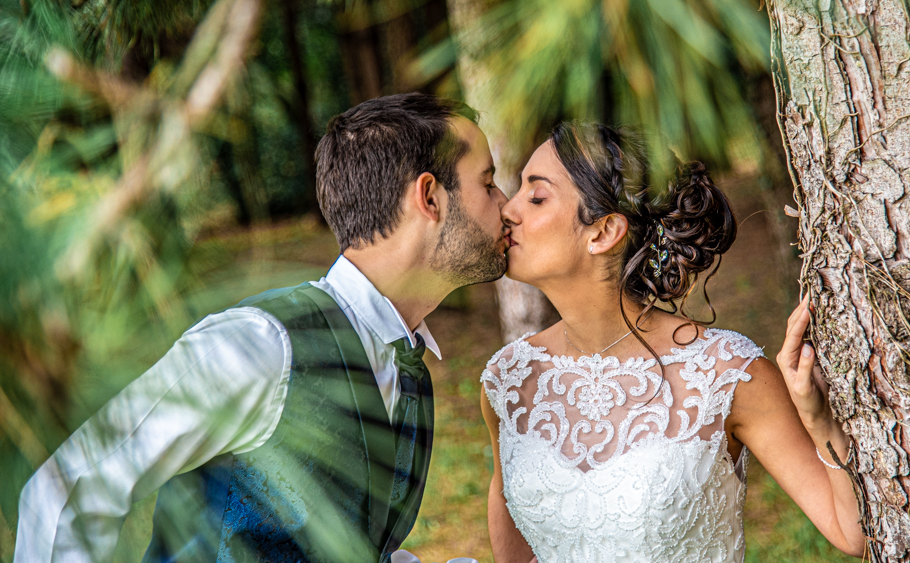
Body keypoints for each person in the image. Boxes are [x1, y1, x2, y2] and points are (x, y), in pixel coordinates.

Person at [14, 93, 510, 563]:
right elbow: (66, 491)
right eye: (487, 183)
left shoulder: (408, 366)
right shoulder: (262, 344)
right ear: (429, 197)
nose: (505, 203)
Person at [480, 122, 865, 563]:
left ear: (604, 233)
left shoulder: (727, 375)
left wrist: (820, 422)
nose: (507, 211)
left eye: (536, 196)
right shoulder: (508, 381)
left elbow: (851, 534)